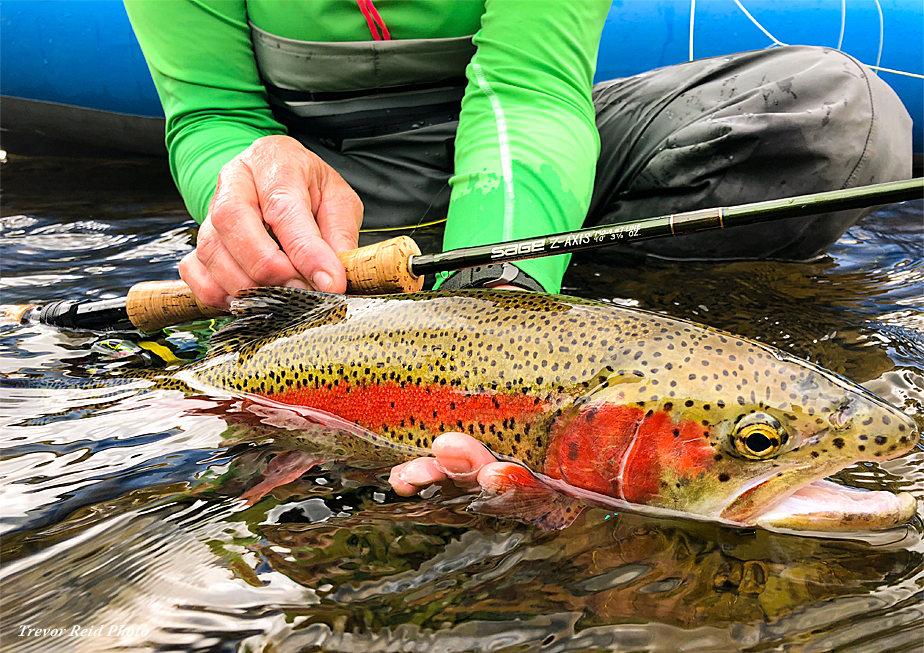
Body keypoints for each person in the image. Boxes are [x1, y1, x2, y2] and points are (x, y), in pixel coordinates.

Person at [125, 0, 912, 496]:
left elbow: (526, 89)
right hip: (337, 193)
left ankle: (538, 285)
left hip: (533, 149)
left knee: (836, 111)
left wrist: (502, 287)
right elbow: (211, 109)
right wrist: (252, 187)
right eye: (758, 443)